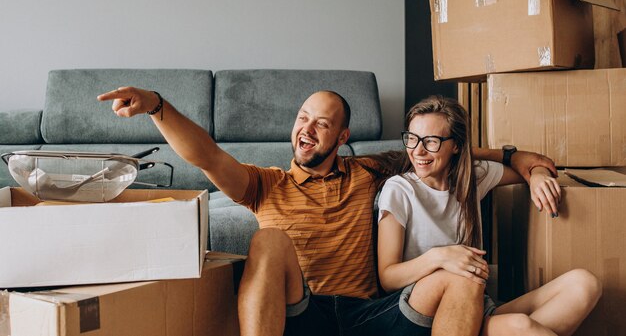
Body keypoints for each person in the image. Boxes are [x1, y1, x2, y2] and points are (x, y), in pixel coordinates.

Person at [97, 87, 556, 336]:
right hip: (303, 312)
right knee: (269, 239)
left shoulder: (372, 170)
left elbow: (451, 154)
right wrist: (158, 107)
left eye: (322, 123)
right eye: (302, 118)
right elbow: (207, 157)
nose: (307, 129)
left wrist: (526, 164)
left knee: (461, 275)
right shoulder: (265, 184)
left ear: (341, 137)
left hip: (370, 315)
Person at [377, 95, 602, 336]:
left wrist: (536, 174)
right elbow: (388, 277)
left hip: (478, 307)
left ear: (456, 145)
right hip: (431, 311)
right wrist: (439, 257)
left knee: (585, 283)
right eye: (411, 139)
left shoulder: (473, 177)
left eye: (431, 141)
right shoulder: (399, 189)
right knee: (521, 327)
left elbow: (528, 163)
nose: (418, 150)